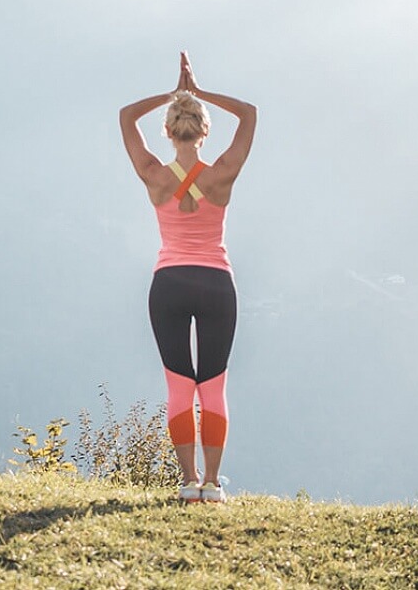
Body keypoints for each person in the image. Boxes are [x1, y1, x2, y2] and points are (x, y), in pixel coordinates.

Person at [119, 52, 258, 503]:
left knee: (179, 385)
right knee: (212, 385)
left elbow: (125, 116)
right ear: (203, 130)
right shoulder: (221, 175)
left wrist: (173, 93)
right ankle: (213, 485)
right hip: (216, 284)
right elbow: (249, 114)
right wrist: (197, 91)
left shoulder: (155, 177)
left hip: (170, 285)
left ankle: (187, 482)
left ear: (169, 129)